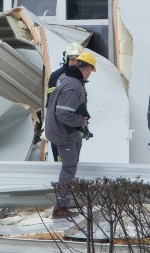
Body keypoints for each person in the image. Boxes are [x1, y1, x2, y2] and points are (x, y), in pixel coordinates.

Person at [45, 51, 98, 218]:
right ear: (88, 68)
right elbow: (63, 114)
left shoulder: (67, 78)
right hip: (63, 132)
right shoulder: (73, 86)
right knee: (68, 168)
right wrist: (80, 122)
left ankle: (64, 203)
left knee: (70, 166)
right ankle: (60, 208)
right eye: (91, 70)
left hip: (66, 131)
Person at [46, 42, 84, 162]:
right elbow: (51, 103)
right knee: (62, 162)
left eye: (78, 60)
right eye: (72, 59)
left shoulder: (78, 76)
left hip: (73, 127)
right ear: (66, 59)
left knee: (72, 161)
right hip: (60, 127)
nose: (75, 63)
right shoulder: (58, 75)